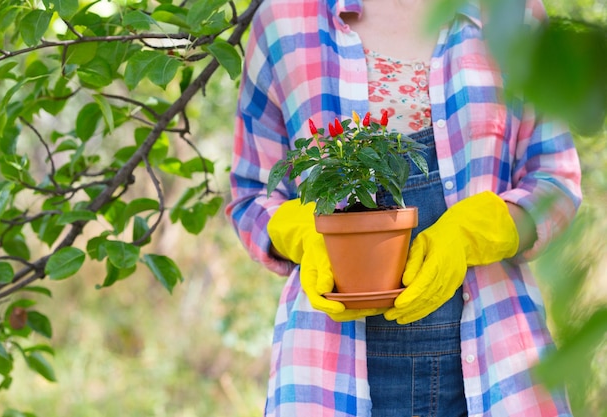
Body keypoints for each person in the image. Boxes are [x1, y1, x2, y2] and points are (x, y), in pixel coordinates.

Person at [225, 0, 582, 416]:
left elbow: (555, 179)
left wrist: (479, 231)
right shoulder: (285, 17)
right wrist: (303, 233)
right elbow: (252, 192)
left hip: (498, 360)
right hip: (325, 372)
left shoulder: (512, 15)